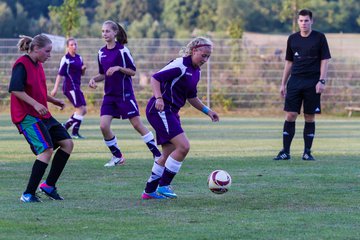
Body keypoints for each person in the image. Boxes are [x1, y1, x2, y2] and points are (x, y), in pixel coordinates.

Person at [141, 37, 219, 200]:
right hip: (160, 109)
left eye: (208, 57)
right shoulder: (180, 65)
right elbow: (155, 78)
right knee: (183, 147)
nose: (205, 59)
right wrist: (159, 98)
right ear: (194, 50)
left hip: (171, 112)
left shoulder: (196, 71)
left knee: (168, 153)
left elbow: (191, 97)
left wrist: (208, 111)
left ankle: (149, 191)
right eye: (203, 55)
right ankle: (163, 185)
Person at [9, 34, 74, 202]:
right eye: (47, 51)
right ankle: (28, 194)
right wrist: (36, 104)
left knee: (67, 143)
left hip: (42, 114)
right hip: (26, 116)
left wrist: (53, 100)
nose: (49, 55)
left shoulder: (38, 65)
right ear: (36, 49)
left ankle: (48, 186)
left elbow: (38, 91)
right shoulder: (21, 64)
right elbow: (15, 89)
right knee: (46, 150)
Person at [89, 20, 161, 167]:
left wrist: (118, 68)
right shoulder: (101, 52)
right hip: (109, 96)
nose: (105, 34)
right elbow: (103, 74)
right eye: (103, 31)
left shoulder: (123, 50)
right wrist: (93, 79)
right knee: (103, 126)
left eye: (108, 31)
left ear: (115, 33)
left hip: (125, 95)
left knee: (137, 125)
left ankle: (157, 155)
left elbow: (133, 71)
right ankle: (117, 156)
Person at [273, 9, 331, 161]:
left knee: (309, 116)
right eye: (301, 20)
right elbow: (289, 62)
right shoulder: (292, 39)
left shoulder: (320, 37)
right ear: (298, 21)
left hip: (313, 82)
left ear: (312, 21)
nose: (303, 23)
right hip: (295, 82)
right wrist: (283, 83)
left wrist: (322, 80)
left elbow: (325, 60)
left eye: (306, 20)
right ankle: (285, 152)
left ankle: (307, 152)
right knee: (291, 114)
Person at [51, 38, 87, 139]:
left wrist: (83, 69)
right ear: (67, 47)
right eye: (71, 45)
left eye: (75, 44)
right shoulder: (66, 58)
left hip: (77, 86)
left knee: (84, 110)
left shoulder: (79, 58)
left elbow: (82, 74)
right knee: (80, 109)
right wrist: (55, 89)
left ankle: (64, 127)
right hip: (70, 87)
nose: (74, 46)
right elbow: (60, 74)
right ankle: (74, 133)